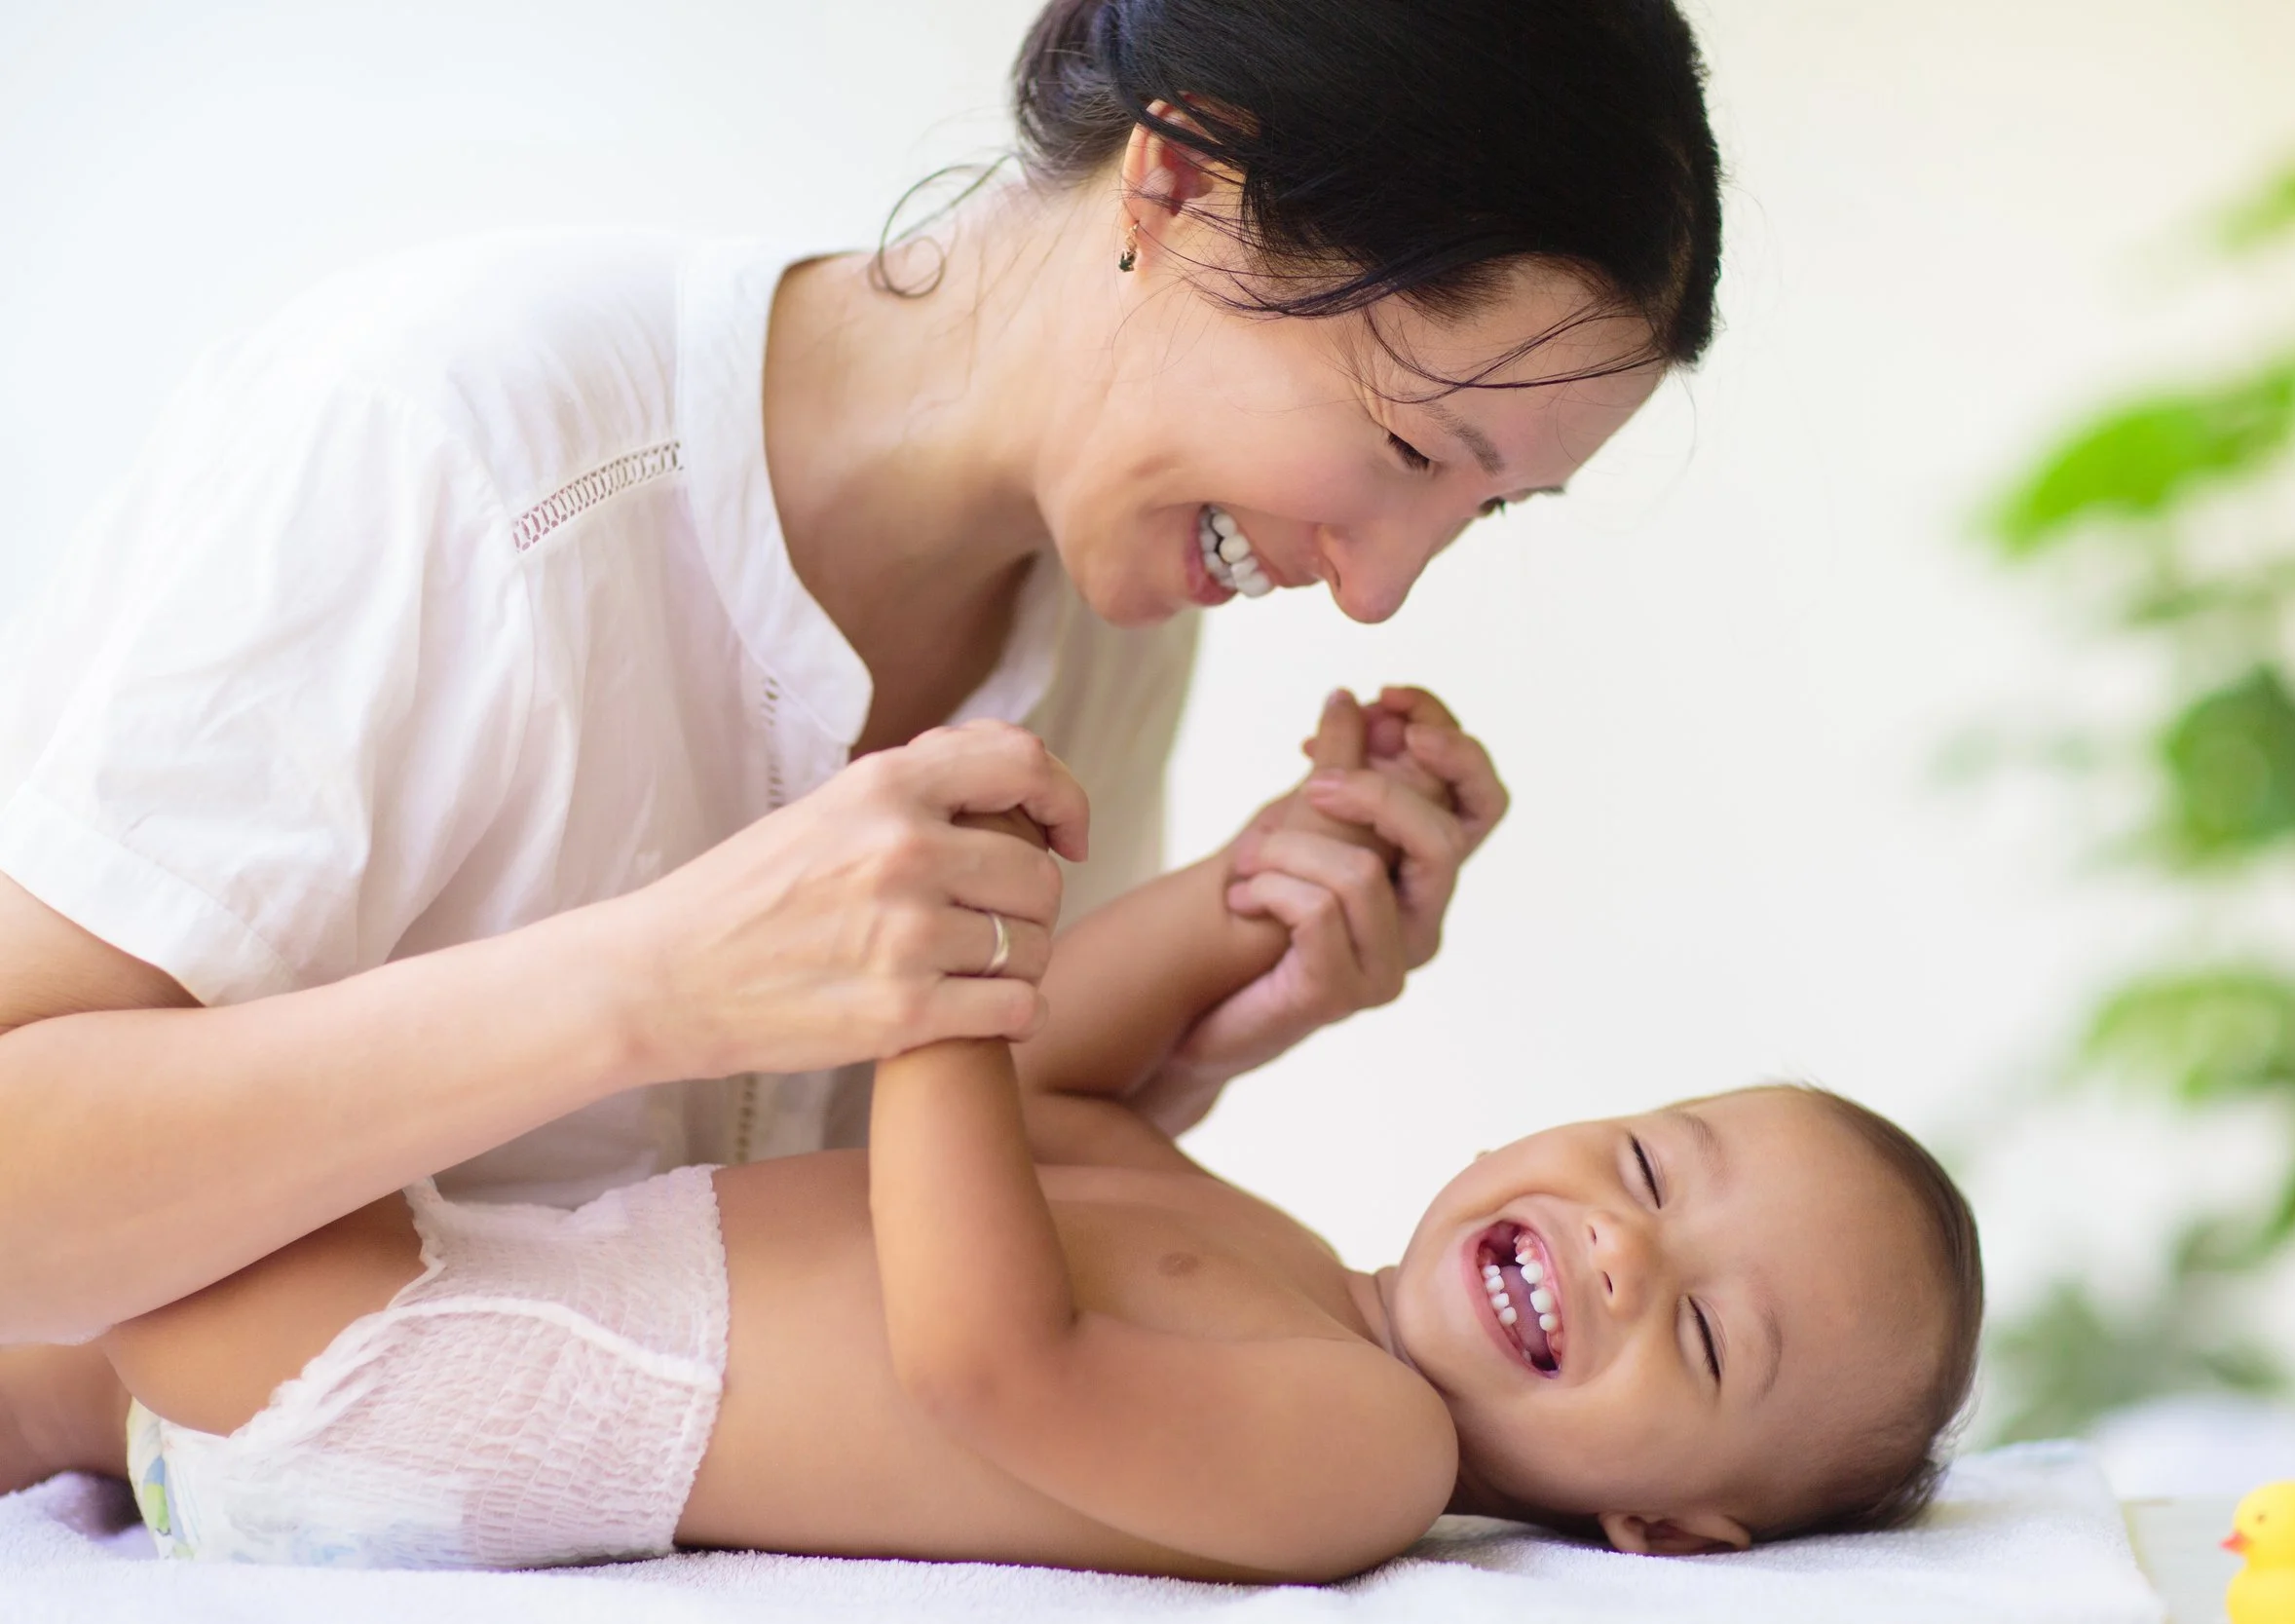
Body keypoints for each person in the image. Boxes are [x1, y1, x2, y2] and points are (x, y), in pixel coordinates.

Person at [0, 0, 1723, 1492]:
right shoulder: (453, 447)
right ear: (1182, 186)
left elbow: (856, 1257)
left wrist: (1200, 1025)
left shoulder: (1109, 630)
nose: (1377, 590)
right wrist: (652, 982)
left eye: (1486, 514)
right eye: (1417, 450)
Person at [94, 693, 1983, 1578]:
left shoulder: (1370, 1456)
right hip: (441, 1306)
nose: (1621, 1250)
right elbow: (1058, 1089)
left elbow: (993, 1360)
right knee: (97, 1293)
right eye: (1647, 1166)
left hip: (435, 1378)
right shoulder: (1267, 1251)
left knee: (139, 1092)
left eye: (1707, 1337)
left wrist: (931, 971)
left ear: (1662, 1522)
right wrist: (1257, 888)